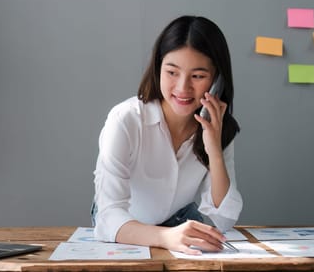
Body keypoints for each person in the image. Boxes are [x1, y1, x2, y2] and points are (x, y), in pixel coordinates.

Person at [92, 15, 243, 255]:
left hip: (178, 223)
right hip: (127, 227)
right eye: (172, 72)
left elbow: (223, 218)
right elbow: (108, 215)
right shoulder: (126, 119)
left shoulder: (217, 127)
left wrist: (214, 147)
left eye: (198, 76)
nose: (183, 88)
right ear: (158, 68)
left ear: (217, 81)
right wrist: (164, 236)